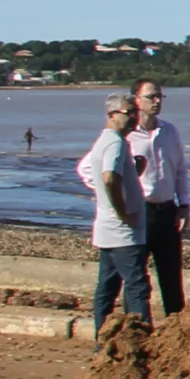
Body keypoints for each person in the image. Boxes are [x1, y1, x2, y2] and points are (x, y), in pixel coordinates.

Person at [76, 93, 149, 332]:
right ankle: (141, 340)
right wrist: (122, 212)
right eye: (128, 113)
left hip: (110, 230)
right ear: (112, 115)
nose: (134, 118)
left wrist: (134, 171)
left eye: (135, 113)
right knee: (137, 286)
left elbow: (100, 173)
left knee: (107, 287)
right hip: (121, 231)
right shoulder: (114, 142)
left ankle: (103, 338)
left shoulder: (110, 142)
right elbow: (109, 178)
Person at [128, 79, 190, 317]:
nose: (156, 102)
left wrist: (184, 204)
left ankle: (177, 328)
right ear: (136, 99)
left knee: (171, 276)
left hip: (167, 210)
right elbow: (92, 170)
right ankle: (137, 327)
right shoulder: (127, 136)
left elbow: (180, 170)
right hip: (139, 211)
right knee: (137, 277)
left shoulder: (169, 131)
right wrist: (118, 199)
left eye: (160, 97)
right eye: (151, 97)